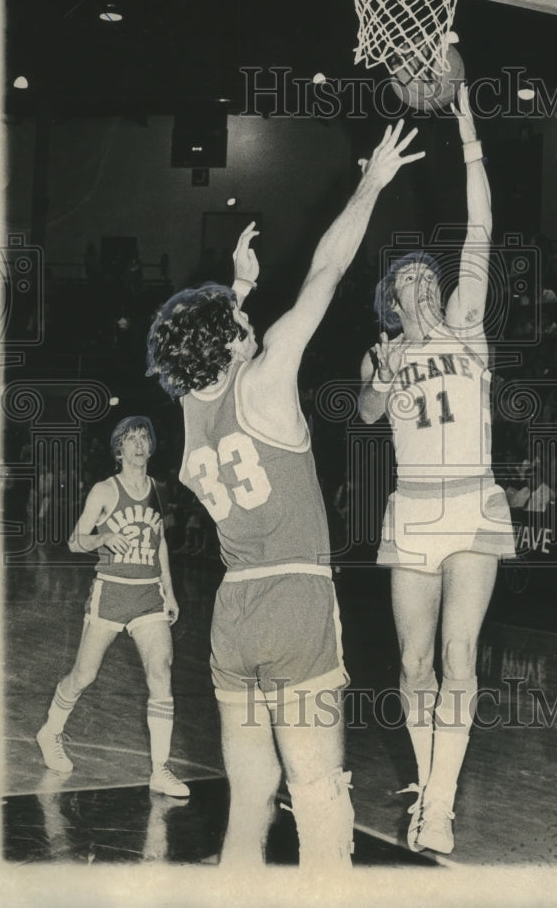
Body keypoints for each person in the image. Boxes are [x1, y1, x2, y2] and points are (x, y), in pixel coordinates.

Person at [145, 121, 424, 871]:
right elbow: (327, 273)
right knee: (317, 784)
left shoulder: (188, 414)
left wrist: (235, 287)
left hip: (233, 614)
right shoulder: (266, 380)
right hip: (296, 600)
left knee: (252, 791)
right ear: (234, 341)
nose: (249, 324)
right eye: (240, 323)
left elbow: (197, 356)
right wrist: (370, 183)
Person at [358, 85, 516, 856]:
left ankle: (441, 804)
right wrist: (381, 379)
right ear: (390, 301)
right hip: (412, 507)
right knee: (412, 663)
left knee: (458, 658)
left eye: (429, 274)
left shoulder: (466, 325)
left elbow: (481, 226)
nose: (423, 282)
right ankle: (427, 779)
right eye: (408, 280)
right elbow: (359, 415)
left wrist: (469, 134)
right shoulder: (384, 352)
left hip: (474, 506)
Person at [36, 416, 189, 798]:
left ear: (151, 447)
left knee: (161, 670)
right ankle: (50, 731)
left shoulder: (160, 489)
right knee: (83, 676)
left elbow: (161, 542)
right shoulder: (105, 491)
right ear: (118, 449)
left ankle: (160, 768)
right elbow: (74, 541)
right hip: (113, 592)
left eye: (144, 438)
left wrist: (169, 591)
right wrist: (103, 535)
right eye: (130, 439)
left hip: (149, 595)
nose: (138, 445)